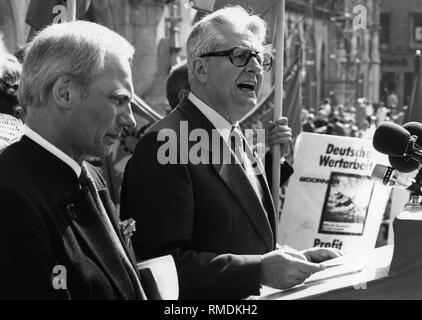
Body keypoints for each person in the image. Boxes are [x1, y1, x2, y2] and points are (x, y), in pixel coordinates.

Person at [121, 6, 340, 300]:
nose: (254, 67)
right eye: (240, 56)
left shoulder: (235, 134)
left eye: (260, 59)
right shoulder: (165, 142)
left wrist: (291, 260)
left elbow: (239, 233)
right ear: (200, 69)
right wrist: (258, 271)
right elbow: (157, 269)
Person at [0, 21, 147, 300]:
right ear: (64, 92)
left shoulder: (89, 174)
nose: (129, 119)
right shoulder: (10, 195)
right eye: (117, 100)